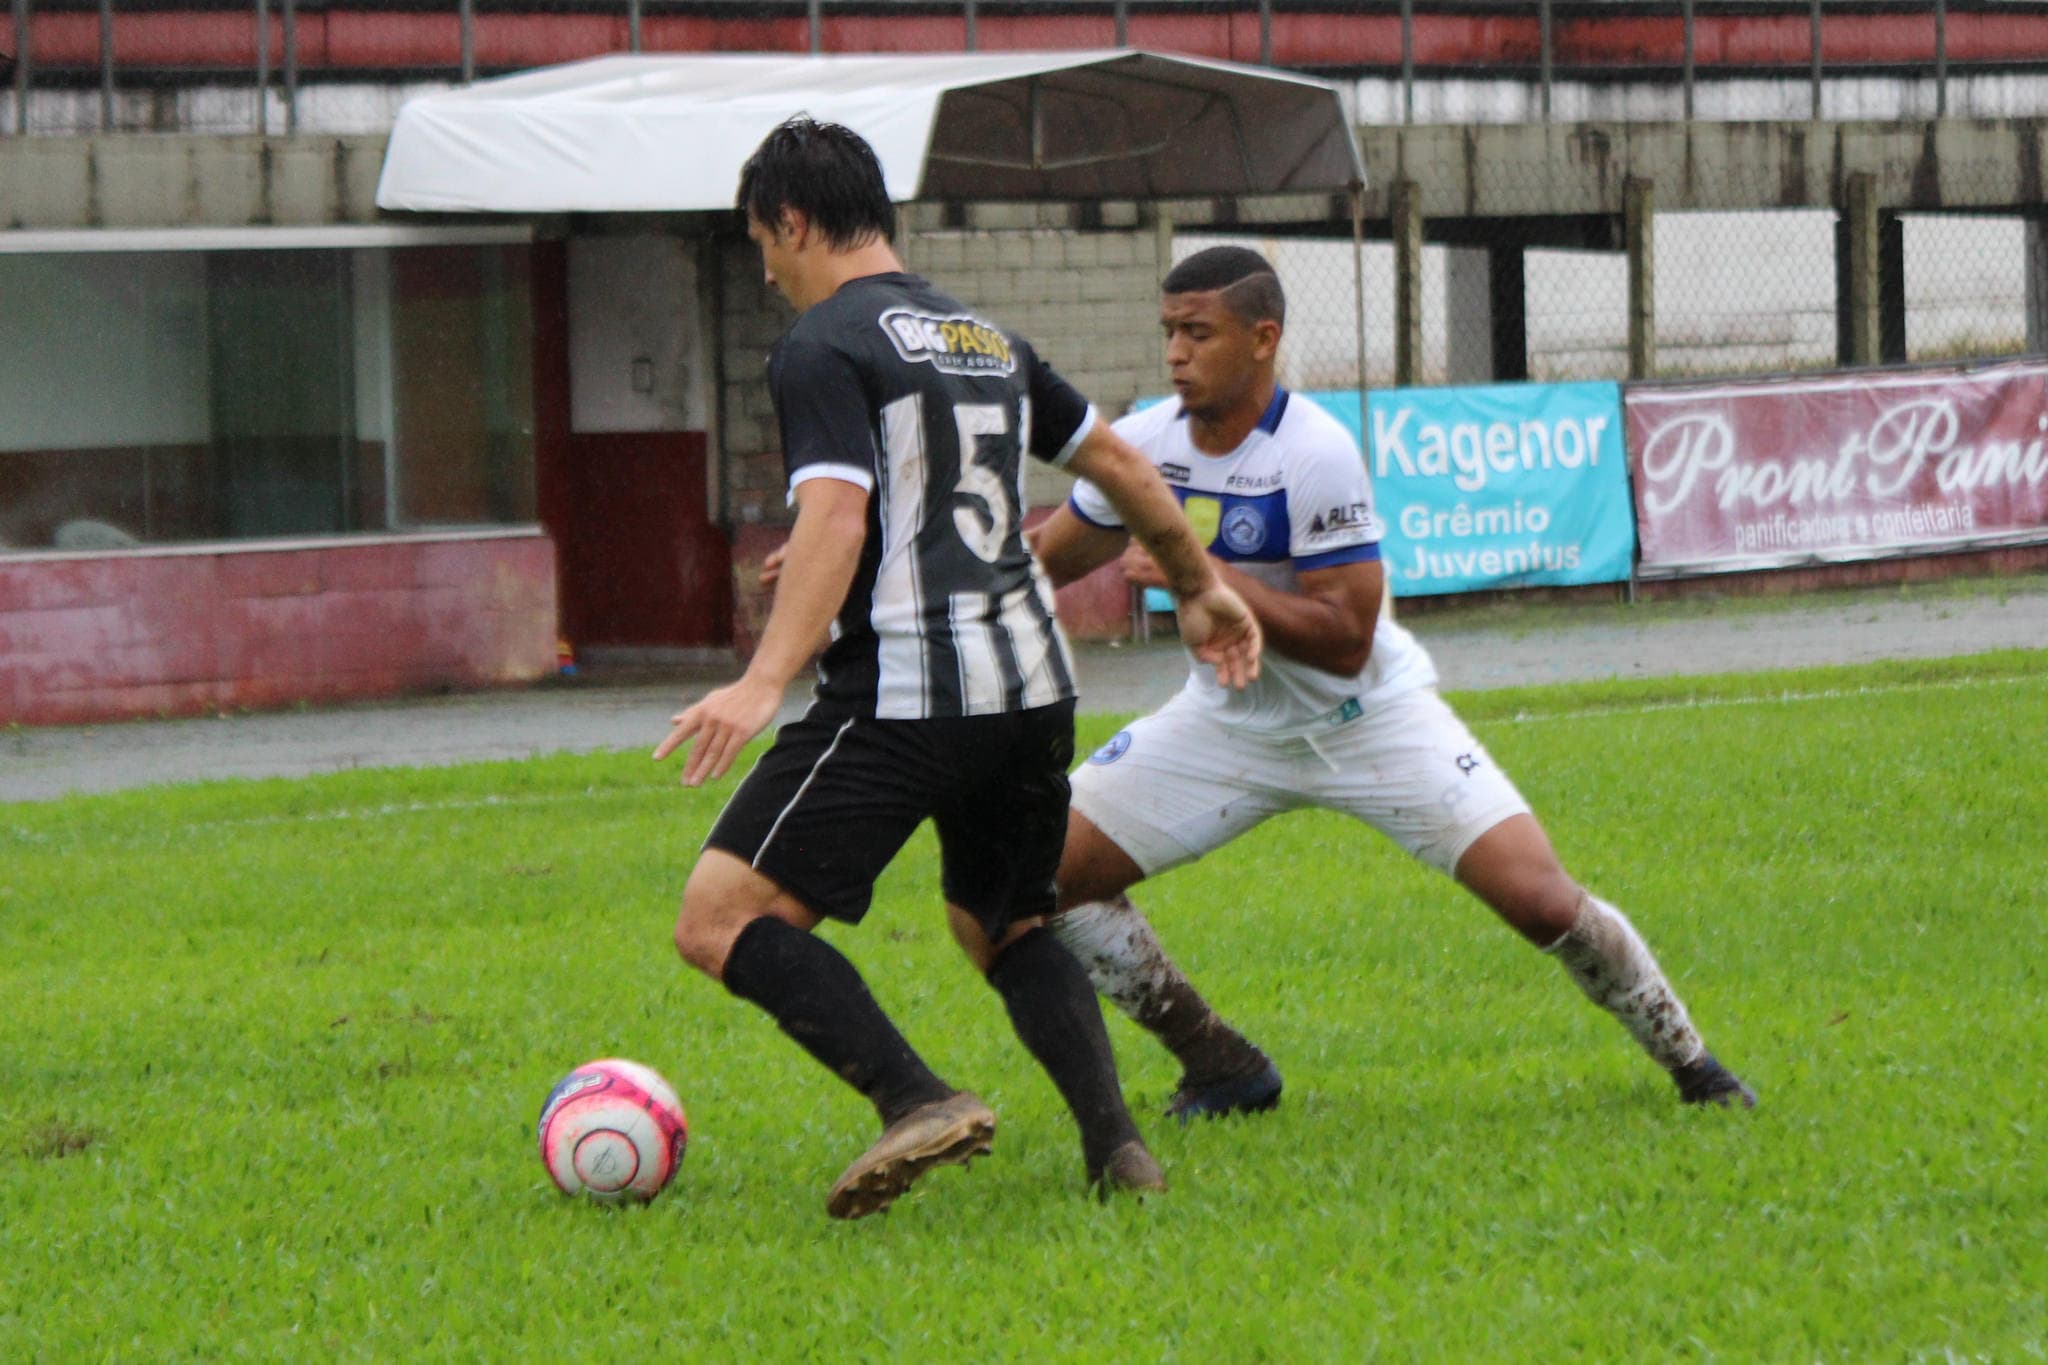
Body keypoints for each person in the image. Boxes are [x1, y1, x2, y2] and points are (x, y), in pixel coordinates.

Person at [656, 117, 1263, 1220]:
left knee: (718, 916)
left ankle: (913, 1098)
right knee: (1005, 922)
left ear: (793, 221)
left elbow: (837, 516)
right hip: (1031, 686)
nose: (768, 272)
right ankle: (1117, 1147)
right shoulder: (983, 336)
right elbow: (1117, 459)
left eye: (763, 245)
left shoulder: (819, 346)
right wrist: (1199, 582)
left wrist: (762, 679)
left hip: (905, 693)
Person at [1007, 244, 1755, 1123]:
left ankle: (1694, 1064)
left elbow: (1347, 641)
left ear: (1262, 338)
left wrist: (1198, 573)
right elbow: (1036, 566)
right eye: (1169, 331)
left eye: (1198, 333)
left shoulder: (1314, 452)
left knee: (1539, 899)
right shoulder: (1143, 446)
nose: (1175, 352)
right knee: (1038, 875)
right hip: (1227, 724)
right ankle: (1219, 1063)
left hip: (1371, 717)